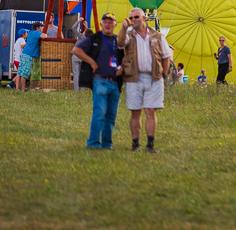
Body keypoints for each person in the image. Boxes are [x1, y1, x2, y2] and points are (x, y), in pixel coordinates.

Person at [117, 8, 172, 153]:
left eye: (136, 17)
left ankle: (150, 144)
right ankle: (135, 144)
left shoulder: (158, 36)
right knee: (135, 112)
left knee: (150, 110)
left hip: (154, 77)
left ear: (144, 18)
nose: (133, 20)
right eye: (131, 17)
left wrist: (163, 75)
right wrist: (123, 27)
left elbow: (167, 56)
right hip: (133, 77)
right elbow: (120, 43)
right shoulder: (129, 35)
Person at [73, 12, 123, 149]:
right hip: (99, 81)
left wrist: (123, 67)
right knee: (99, 114)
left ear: (115, 25)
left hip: (115, 82)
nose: (107, 24)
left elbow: (126, 57)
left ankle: (107, 144)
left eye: (110, 22)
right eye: (105, 22)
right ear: (101, 24)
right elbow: (76, 50)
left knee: (111, 117)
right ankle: (94, 143)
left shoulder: (119, 41)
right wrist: (92, 62)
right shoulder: (94, 38)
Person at [16, 22, 46, 91]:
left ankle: (17, 88)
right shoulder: (36, 33)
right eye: (41, 27)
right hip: (29, 55)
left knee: (20, 72)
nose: (41, 28)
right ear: (37, 28)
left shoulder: (31, 33)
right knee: (24, 73)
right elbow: (44, 36)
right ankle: (23, 89)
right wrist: (46, 34)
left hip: (24, 53)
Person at [71, 19, 87, 91]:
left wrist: (79, 21)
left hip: (76, 56)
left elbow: (73, 28)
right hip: (83, 57)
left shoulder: (81, 37)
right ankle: (82, 91)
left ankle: (76, 90)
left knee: (76, 74)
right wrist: (86, 27)